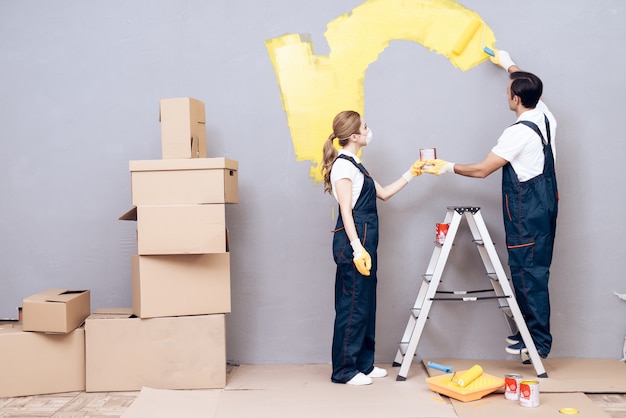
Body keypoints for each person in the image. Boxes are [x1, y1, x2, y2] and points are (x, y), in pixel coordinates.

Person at [426, 50, 558, 359]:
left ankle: (537, 342)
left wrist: (447, 166)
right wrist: (507, 63)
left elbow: (483, 169)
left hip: (528, 213)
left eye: (509, 93)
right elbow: (527, 83)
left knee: (529, 274)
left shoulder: (517, 134)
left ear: (515, 100)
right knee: (534, 271)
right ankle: (530, 334)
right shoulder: (544, 116)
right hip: (544, 206)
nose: (507, 96)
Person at [320, 110, 426, 385]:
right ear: (354, 135)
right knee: (352, 305)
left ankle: (363, 364)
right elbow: (346, 211)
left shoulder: (357, 165)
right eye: (365, 127)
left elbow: (385, 193)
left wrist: (413, 172)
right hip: (354, 242)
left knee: (365, 303)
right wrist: (356, 248)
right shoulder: (343, 167)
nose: (369, 130)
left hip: (367, 242)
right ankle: (344, 371)